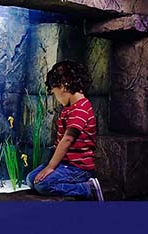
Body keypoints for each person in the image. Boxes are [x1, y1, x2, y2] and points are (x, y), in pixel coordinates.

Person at [26, 60, 104, 201]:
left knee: (43, 185)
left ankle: (87, 189)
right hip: (66, 164)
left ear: (64, 85)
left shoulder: (80, 108)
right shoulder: (70, 108)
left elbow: (67, 139)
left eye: (54, 93)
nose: (55, 98)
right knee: (31, 179)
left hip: (78, 168)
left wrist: (50, 167)